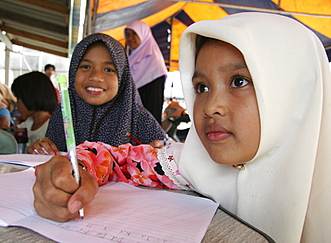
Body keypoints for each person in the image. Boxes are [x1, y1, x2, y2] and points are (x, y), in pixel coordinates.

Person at [33, 12, 331, 242]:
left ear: (296, 93)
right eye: (201, 87)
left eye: (239, 82)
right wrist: (76, 168)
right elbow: (117, 158)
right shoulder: (191, 165)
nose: (211, 105)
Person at [28, 33, 166, 155]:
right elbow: (50, 157)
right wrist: (41, 149)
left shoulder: (138, 118)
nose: (96, 76)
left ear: (122, 77)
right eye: (86, 67)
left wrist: (161, 156)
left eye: (108, 69)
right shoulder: (63, 113)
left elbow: (170, 157)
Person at [124, 20, 168, 124]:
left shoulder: (154, 64)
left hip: (144, 126)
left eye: (134, 33)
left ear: (143, 34)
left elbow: (154, 106)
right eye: (127, 34)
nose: (130, 38)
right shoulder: (131, 60)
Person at [11, 71, 58, 146]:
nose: (16, 104)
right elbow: (8, 131)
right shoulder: (29, 123)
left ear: (29, 98)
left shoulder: (52, 127)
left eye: (18, 99)